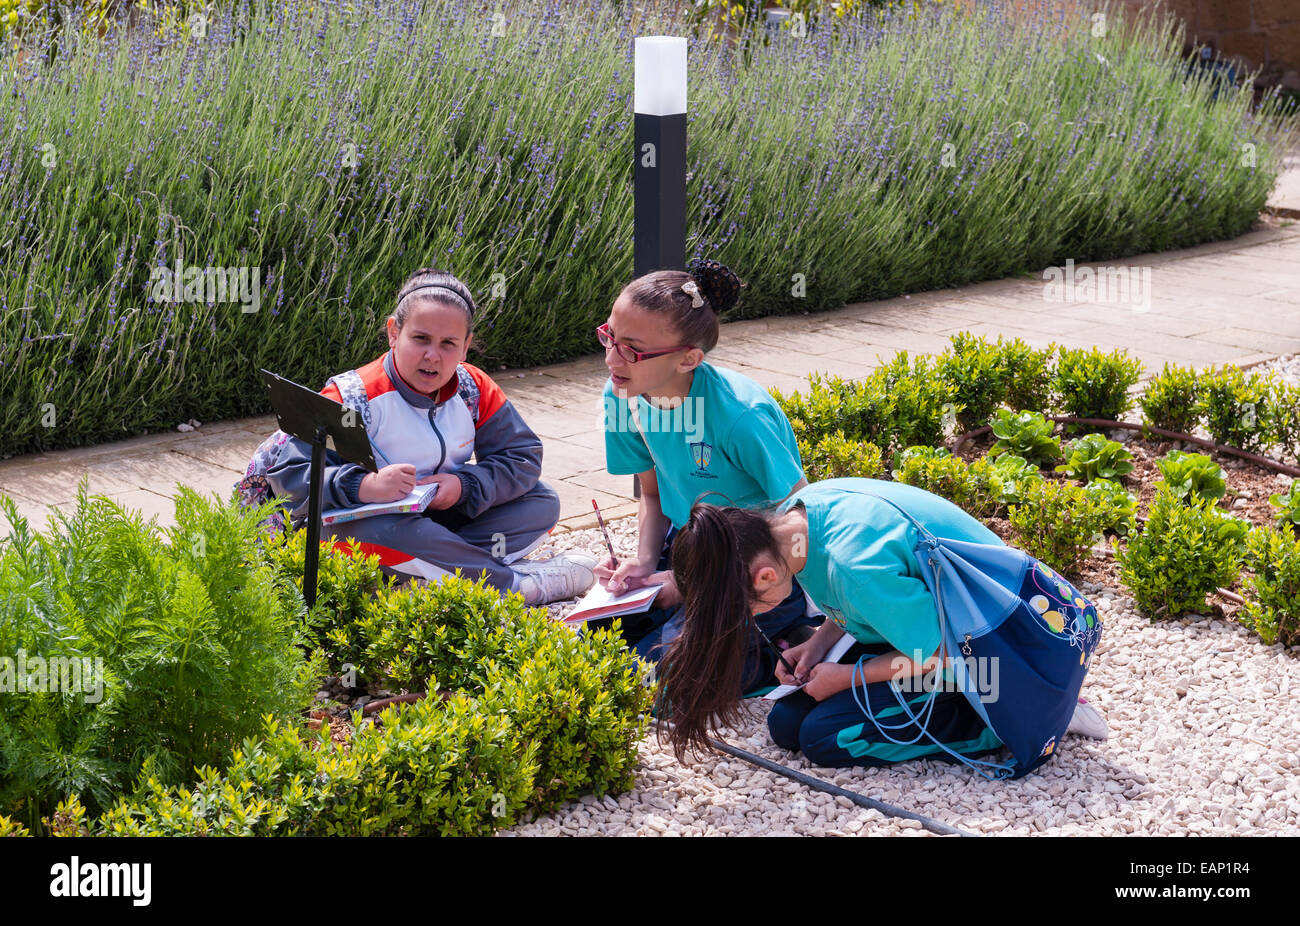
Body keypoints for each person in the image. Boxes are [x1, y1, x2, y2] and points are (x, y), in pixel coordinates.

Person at [659, 477, 1108, 765]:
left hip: (1003, 656)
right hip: (940, 632)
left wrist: (846, 678)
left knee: (826, 738)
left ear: (765, 576)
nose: (758, 617)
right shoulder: (801, 515)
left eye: (750, 608)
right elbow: (854, 597)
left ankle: (1004, 723)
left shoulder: (855, 566)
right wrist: (817, 646)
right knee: (785, 724)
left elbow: (936, 658)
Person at [259, 268, 596, 606]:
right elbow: (290, 479)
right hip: (357, 530)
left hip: (434, 522)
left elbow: (521, 458)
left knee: (540, 502)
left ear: (465, 346)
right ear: (394, 332)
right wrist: (365, 487)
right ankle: (516, 587)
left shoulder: (473, 387)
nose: (433, 355)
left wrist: (464, 486)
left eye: (448, 343)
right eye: (420, 339)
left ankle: (429, 570)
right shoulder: (352, 396)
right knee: (387, 532)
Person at [592, 258, 820, 691]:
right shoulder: (621, 394)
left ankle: (786, 631)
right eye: (609, 336)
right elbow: (652, 495)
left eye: (631, 349)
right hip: (688, 543)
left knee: (666, 678)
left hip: (756, 562)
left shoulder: (740, 416)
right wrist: (643, 560)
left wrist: (687, 583)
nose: (610, 358)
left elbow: (804, 522)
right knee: (597, 641)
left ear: (688, 359)